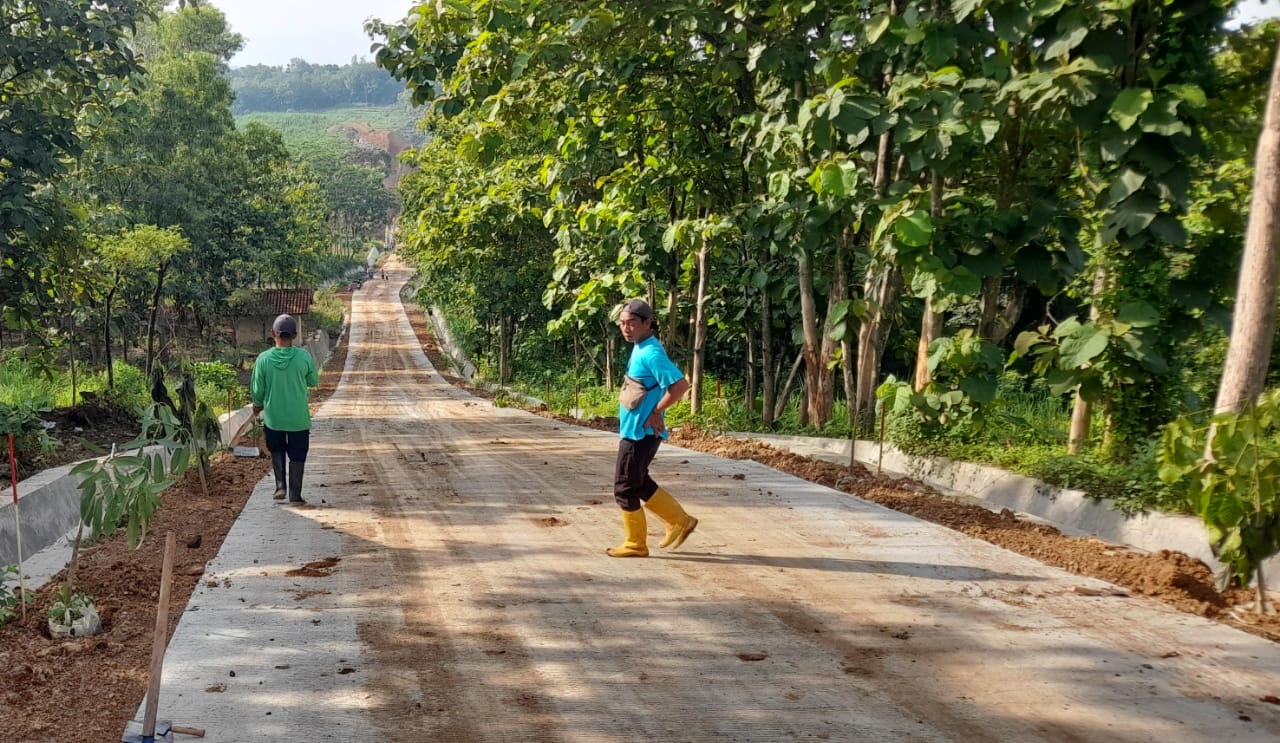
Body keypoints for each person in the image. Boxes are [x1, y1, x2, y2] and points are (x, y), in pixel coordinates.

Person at [607, 298, 698, 557]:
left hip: (640, 433)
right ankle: (680, 520)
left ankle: (636, 543)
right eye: (623, 323)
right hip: (637, 430)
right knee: (639, 482)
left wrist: (657, 411)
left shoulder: (651, 352)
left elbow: (680, 386)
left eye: (632, 323)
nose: (626, 328)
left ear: (647, 323)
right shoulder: (640, 347)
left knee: (624, 487)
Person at [251, 314, 319, 505]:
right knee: (298, 454)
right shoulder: (303, 357)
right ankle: (295, 495)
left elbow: (258, 390)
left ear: (273, 334)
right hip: (298, 418)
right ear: (295, 335)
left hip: (274, 418)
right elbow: (314, 381)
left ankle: (280, 486)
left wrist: (257, 406)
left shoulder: (263, 360)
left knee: (277, 450)